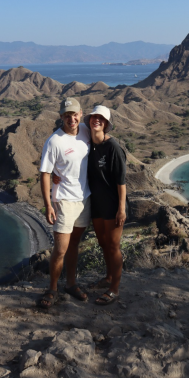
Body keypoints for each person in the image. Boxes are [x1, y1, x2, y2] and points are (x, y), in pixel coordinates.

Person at [53, 105, 126, 305]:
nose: (97, 121)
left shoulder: (113, 147)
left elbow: (121, 181)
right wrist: (55, 174)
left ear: (107, 124)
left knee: (113, 246)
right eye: (95, 117)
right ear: (90, 119)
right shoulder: (88, 143)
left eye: (101, 119)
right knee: (103, 244)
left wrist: (121, 208)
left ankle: (114, 289)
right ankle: (109, 277)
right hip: (95, 204)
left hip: (112, 205)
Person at [38, 97, 91, 309]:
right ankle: (52, 288)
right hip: (64, 201)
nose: (72, 119)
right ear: (61, 117)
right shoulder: (54, 141)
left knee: (74, 246)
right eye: (67, 115)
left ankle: (70, 284)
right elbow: (44, 174)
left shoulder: (86, 131)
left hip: (84, 199)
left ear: (80, 114)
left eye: (75, 114)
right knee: (60, 249)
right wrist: (48, 204)